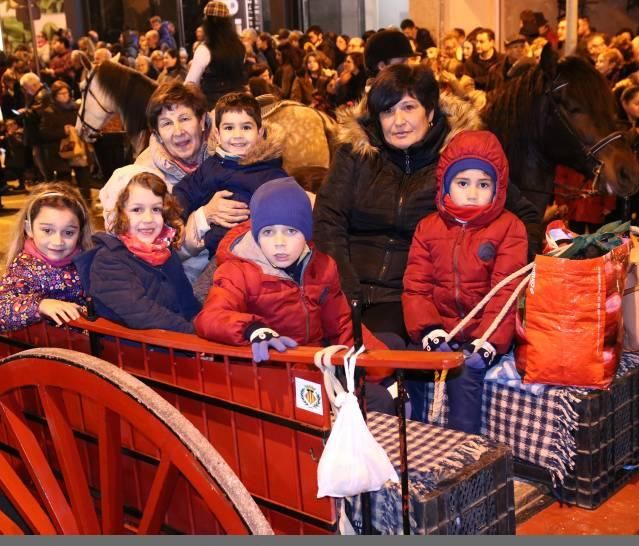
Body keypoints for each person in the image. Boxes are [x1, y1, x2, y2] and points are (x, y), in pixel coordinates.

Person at [312, 64, 539, 340]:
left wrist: (485, 269)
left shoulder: (460, 158)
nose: (398, 121)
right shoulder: (356, 154)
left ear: (430, 111)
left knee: (379, 353)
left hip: (412, 296)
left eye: (408, 107)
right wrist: (345, 288)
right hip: (347, 286)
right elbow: (328, 220)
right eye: (387, 111)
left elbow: (524, 217)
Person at [194, 178, 398, 412]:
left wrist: (382, 371)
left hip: (313, 364)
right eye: (269, 232)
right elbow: (211, 316)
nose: (279, 243)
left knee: (385, 370)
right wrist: (252, 329)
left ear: (306, 234)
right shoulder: (238, 271)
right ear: (256, 233)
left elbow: (342, 325)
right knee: (375, 400)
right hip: (265, 373)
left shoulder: (321, 267)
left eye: (291, 231)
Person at [402, 130, 528, 433]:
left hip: (480, 335)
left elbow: (507, 291)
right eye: (462, 183)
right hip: (438, 329)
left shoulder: (509, 227)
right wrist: (429, 331)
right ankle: (416, 439)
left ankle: (463, 452)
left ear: (498, 188)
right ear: (446, 184)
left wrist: (487, 342)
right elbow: (416, 286)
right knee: (412, 369)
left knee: (464, 377)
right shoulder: (429, 227)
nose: (472, 193)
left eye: (483, 184)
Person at [100, 82, 250, 280]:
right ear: (157, 134)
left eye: (184, 118)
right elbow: (146, 252)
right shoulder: (143, 178)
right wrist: (203, 217)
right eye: (166, 123)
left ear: (203, 120)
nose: (178, 131)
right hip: (180, 282)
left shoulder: (227, 152)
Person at [75, 172, 201, 332]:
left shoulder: (165, 252)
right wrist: (195, 334)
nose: (148, 219)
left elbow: (188, 302)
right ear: (118, 214)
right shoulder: (108, 262)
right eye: (137, 210)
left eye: (156, 209)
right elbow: (144, 314)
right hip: (134, 351)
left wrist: (206, 325)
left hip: (175, 344)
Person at [172, 92, 288, 258]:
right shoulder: (211, 166)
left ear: (260, 133)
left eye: (246, 127)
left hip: (256, 255)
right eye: (229, 128)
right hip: (215, 254)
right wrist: (176, 218)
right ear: (218, 135)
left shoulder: (270, 174)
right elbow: (184, 191)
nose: (237, 136)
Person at [0, 183, 94, 332]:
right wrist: (40, 305)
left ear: (80, 232)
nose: (58, 241)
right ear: (29, 229)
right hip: (58, 348)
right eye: (47, 230)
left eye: (68, 232)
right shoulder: (24, 269)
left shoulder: (88, 259)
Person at [184, 0, 246, 108]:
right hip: (239, 105)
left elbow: (191, 84)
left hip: (214, 110)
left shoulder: (204, 49)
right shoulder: (240, 47)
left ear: (207, 23)